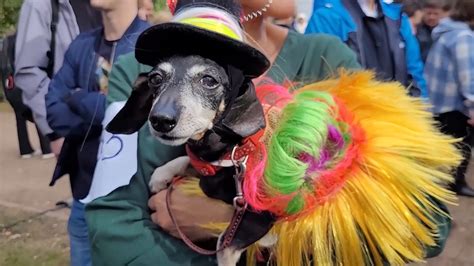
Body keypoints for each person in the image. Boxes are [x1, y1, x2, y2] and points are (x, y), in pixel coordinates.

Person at [86, 0, 452, 264]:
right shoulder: (139, 67)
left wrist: (233, 225)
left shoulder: (329, 60)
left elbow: (426, 225)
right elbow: (112, 230)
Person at [44, 1, 149, 265]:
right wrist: (109, 114)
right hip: (83, 199)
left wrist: (78, 98)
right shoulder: (81, 44)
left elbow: (144, 117)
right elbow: (54, 113)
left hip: (134, 208)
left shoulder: (152, 45)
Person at [14, 0, 102, 157]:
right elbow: (29, 71)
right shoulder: (40, 5)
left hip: (113, 125)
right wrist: (56, 130)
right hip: (77, 131)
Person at [305, 0, 428, 98]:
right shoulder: (326, 17)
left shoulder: (397, 18)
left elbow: (415, 73)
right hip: (350, 121)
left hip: (401, 120)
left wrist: (422, 118)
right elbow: (317, 81)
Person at [424, 0, 474, 198]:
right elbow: (468, 78)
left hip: (437, 100)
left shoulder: (447, 30)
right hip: (451, 104)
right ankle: (455, 184)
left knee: (442, 147)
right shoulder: (463, 37)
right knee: (461, 146)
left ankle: (445, 185)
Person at [0, 33, 53, 159]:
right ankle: (46, 148)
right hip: (23, 82)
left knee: (20, 116)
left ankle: (25, 150)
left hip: (9, 85)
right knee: (37, 110)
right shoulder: (24, 40)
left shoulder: (5, 43)